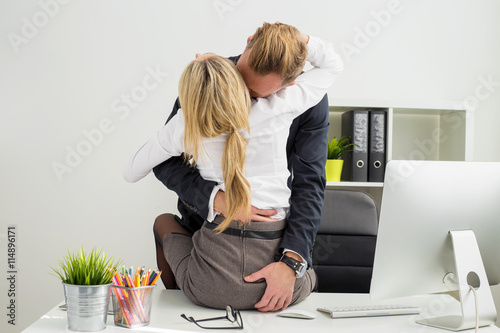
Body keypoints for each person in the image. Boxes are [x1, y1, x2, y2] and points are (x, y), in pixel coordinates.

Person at [151, 22, 343, 311]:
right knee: (187, 304)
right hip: (203, 221)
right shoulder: (208, 77)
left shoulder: (308, 100)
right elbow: (163, 159)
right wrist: (216, 199)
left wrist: (292, 262)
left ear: (289, 88)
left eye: (258, 97)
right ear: (249, 40)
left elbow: (309, 182)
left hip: (270, 235)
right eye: (242, 78)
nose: (246, 103)